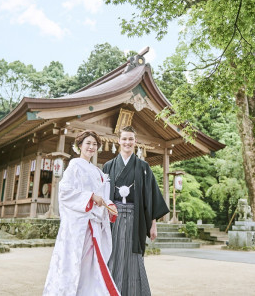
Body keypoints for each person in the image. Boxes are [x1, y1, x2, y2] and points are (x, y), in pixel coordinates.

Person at [43, 130, 120, 296]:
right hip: (80, 225)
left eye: (94, 144)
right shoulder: (74, 165)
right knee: (77, 263)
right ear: (80, 146)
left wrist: (109, 205)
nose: (91, 147)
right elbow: (65, 191)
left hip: (94, 223)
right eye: (88, 143)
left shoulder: (98, 171)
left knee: (91, 264)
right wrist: (90, 196)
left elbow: (103, 196)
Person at [103, 126, 169, 296]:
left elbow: (151, 197)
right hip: (113, 218)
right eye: (124, 139)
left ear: (135, 141)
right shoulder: (108, 166)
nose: (127, 142)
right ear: (118, 141)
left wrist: (153, 225)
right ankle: (110, 291)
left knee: (133, 257)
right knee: (112, 255)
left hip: (135, 218)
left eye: (131, 139)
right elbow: (101, 196)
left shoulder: (143, 167)